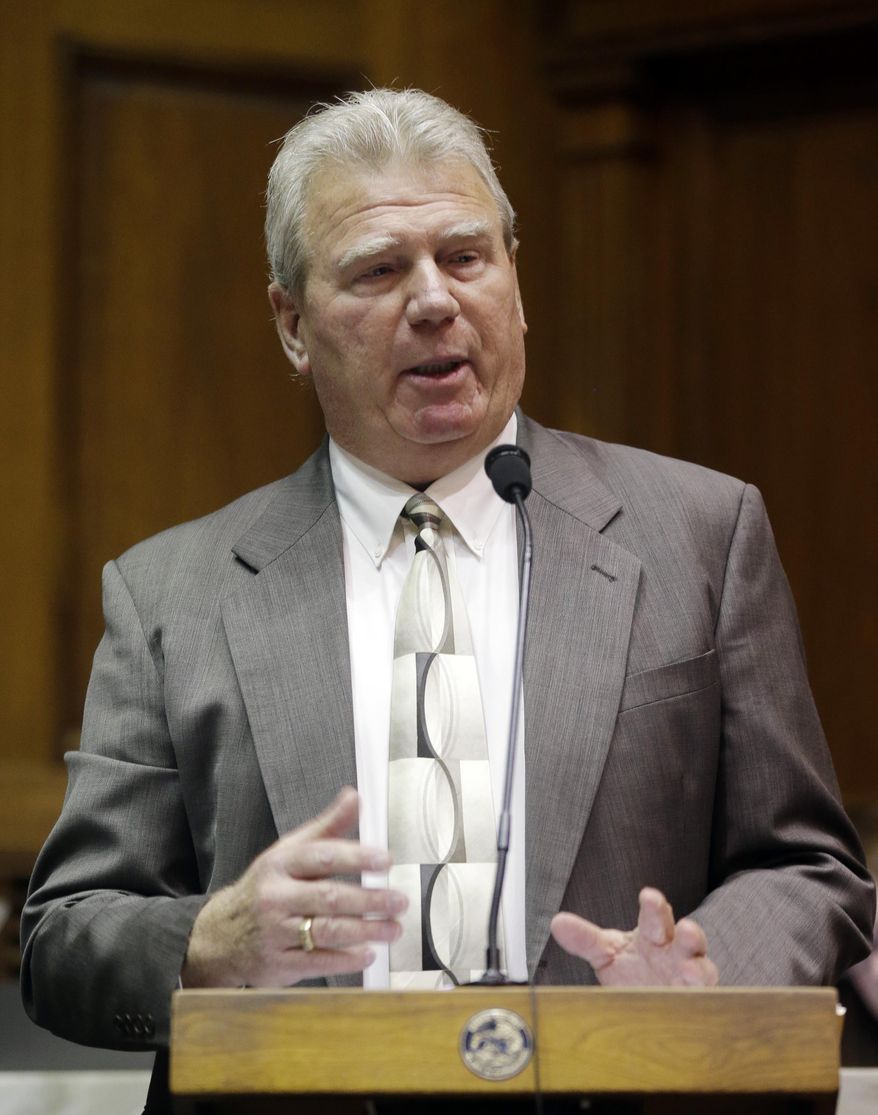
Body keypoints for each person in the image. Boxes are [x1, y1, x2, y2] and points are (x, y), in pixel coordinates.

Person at [21, 88, 874, 1104]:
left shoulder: (699, 533)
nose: (432, 299)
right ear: (291, 324)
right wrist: (217, 939)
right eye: (378, 270)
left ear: (514, 283)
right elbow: (65, 937)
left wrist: (702, 965)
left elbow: (810, 868)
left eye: (465, 256)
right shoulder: (172, 593)